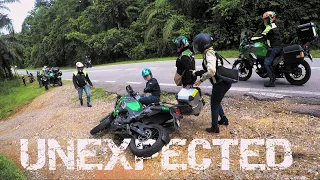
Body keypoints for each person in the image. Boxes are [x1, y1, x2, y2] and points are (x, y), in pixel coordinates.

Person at [192, 33, 231, 133]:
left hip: (220, 83)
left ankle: (214, 127)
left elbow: (211, 71)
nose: (196, 47)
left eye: (197, 45)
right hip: (222, 82)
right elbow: (210, 69)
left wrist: (201, 80)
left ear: (202, 45)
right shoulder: (210, 52)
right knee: (216, 101)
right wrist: (196, 73)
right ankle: (223, 119)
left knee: (214, 104)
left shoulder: (209, 55)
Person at [253, 11, 282, 87]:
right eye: (264, 20)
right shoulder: (274, 26)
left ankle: (272, 81)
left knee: (266, 63)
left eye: (266, 19)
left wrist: (252, 39)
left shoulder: (269, 27)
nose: (265, 21)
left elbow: (263, 35)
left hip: (274, 48)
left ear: (270, 19)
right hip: (277, 46)